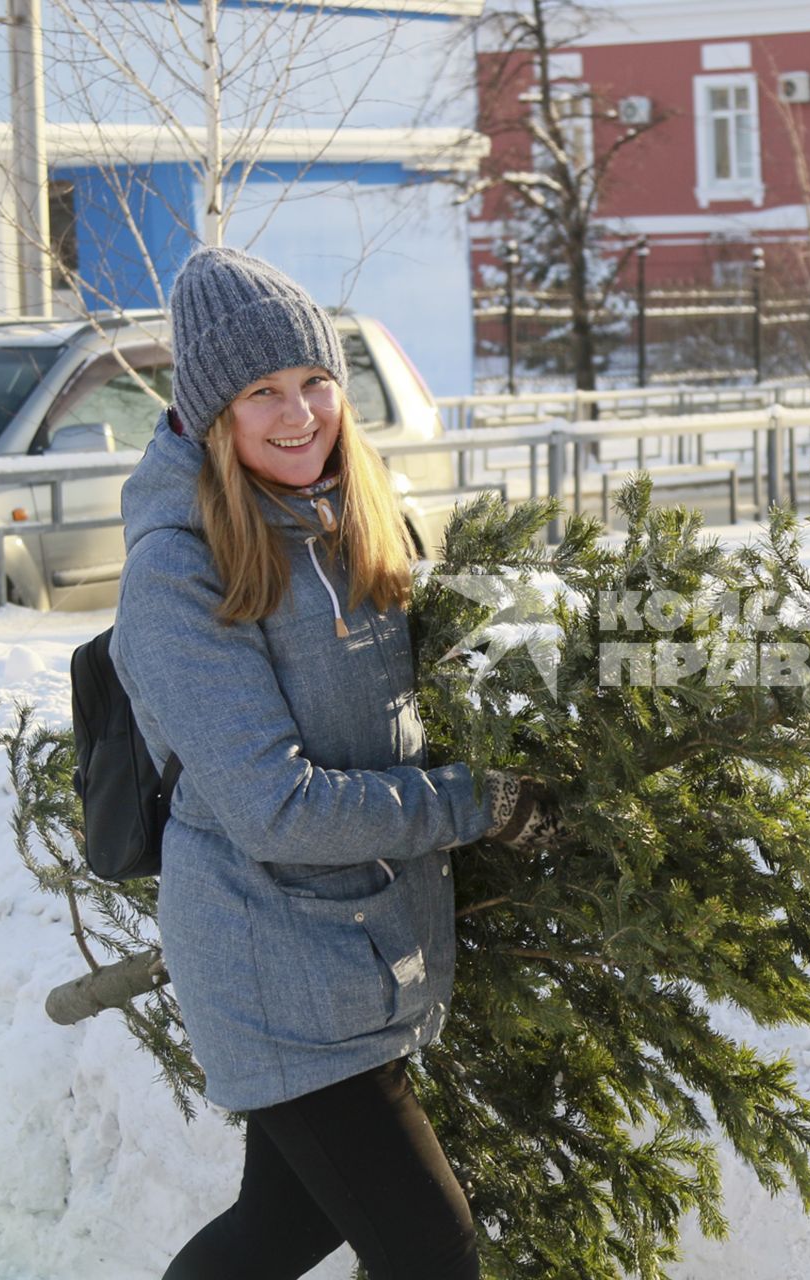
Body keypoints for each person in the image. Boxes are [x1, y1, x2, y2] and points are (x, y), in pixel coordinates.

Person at [111, 245, 556, 1280]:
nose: (301, 410)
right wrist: (470, 803)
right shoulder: (179, 567)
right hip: (272, 954)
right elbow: (276, 805)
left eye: (315, 379)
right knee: (431, 1254)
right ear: (211, 412)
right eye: (262, 391)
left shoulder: (342, 511)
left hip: (358, 944)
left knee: (285, 1224)